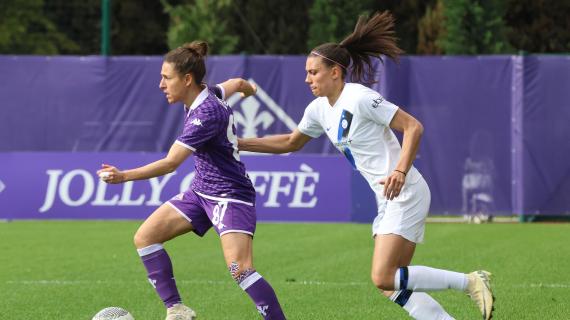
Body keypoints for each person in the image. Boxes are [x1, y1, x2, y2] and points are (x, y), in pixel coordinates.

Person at [238, 12, 494, 320]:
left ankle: (470, 282)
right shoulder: (318, 109)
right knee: (392, 284)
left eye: (313, 72)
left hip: (405, 191)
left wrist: (399, 170)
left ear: (335, 72)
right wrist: (238, 144)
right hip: (386, 199)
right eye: (306, 72)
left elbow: (413, 127)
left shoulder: (359, 97)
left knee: (383, 276)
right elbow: (291, 142)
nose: (307, 79)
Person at [97, 41, 286, 320]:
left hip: (230, 195)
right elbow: (234, 83)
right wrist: (248, 88)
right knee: (145, 237)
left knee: (241, 269)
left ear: (187, 79)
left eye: (166, 77)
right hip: (201, 192)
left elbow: (171, 163)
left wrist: (124, 176)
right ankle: (177, 309)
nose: (161, 84)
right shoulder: (205, 94)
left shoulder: (206, 114)